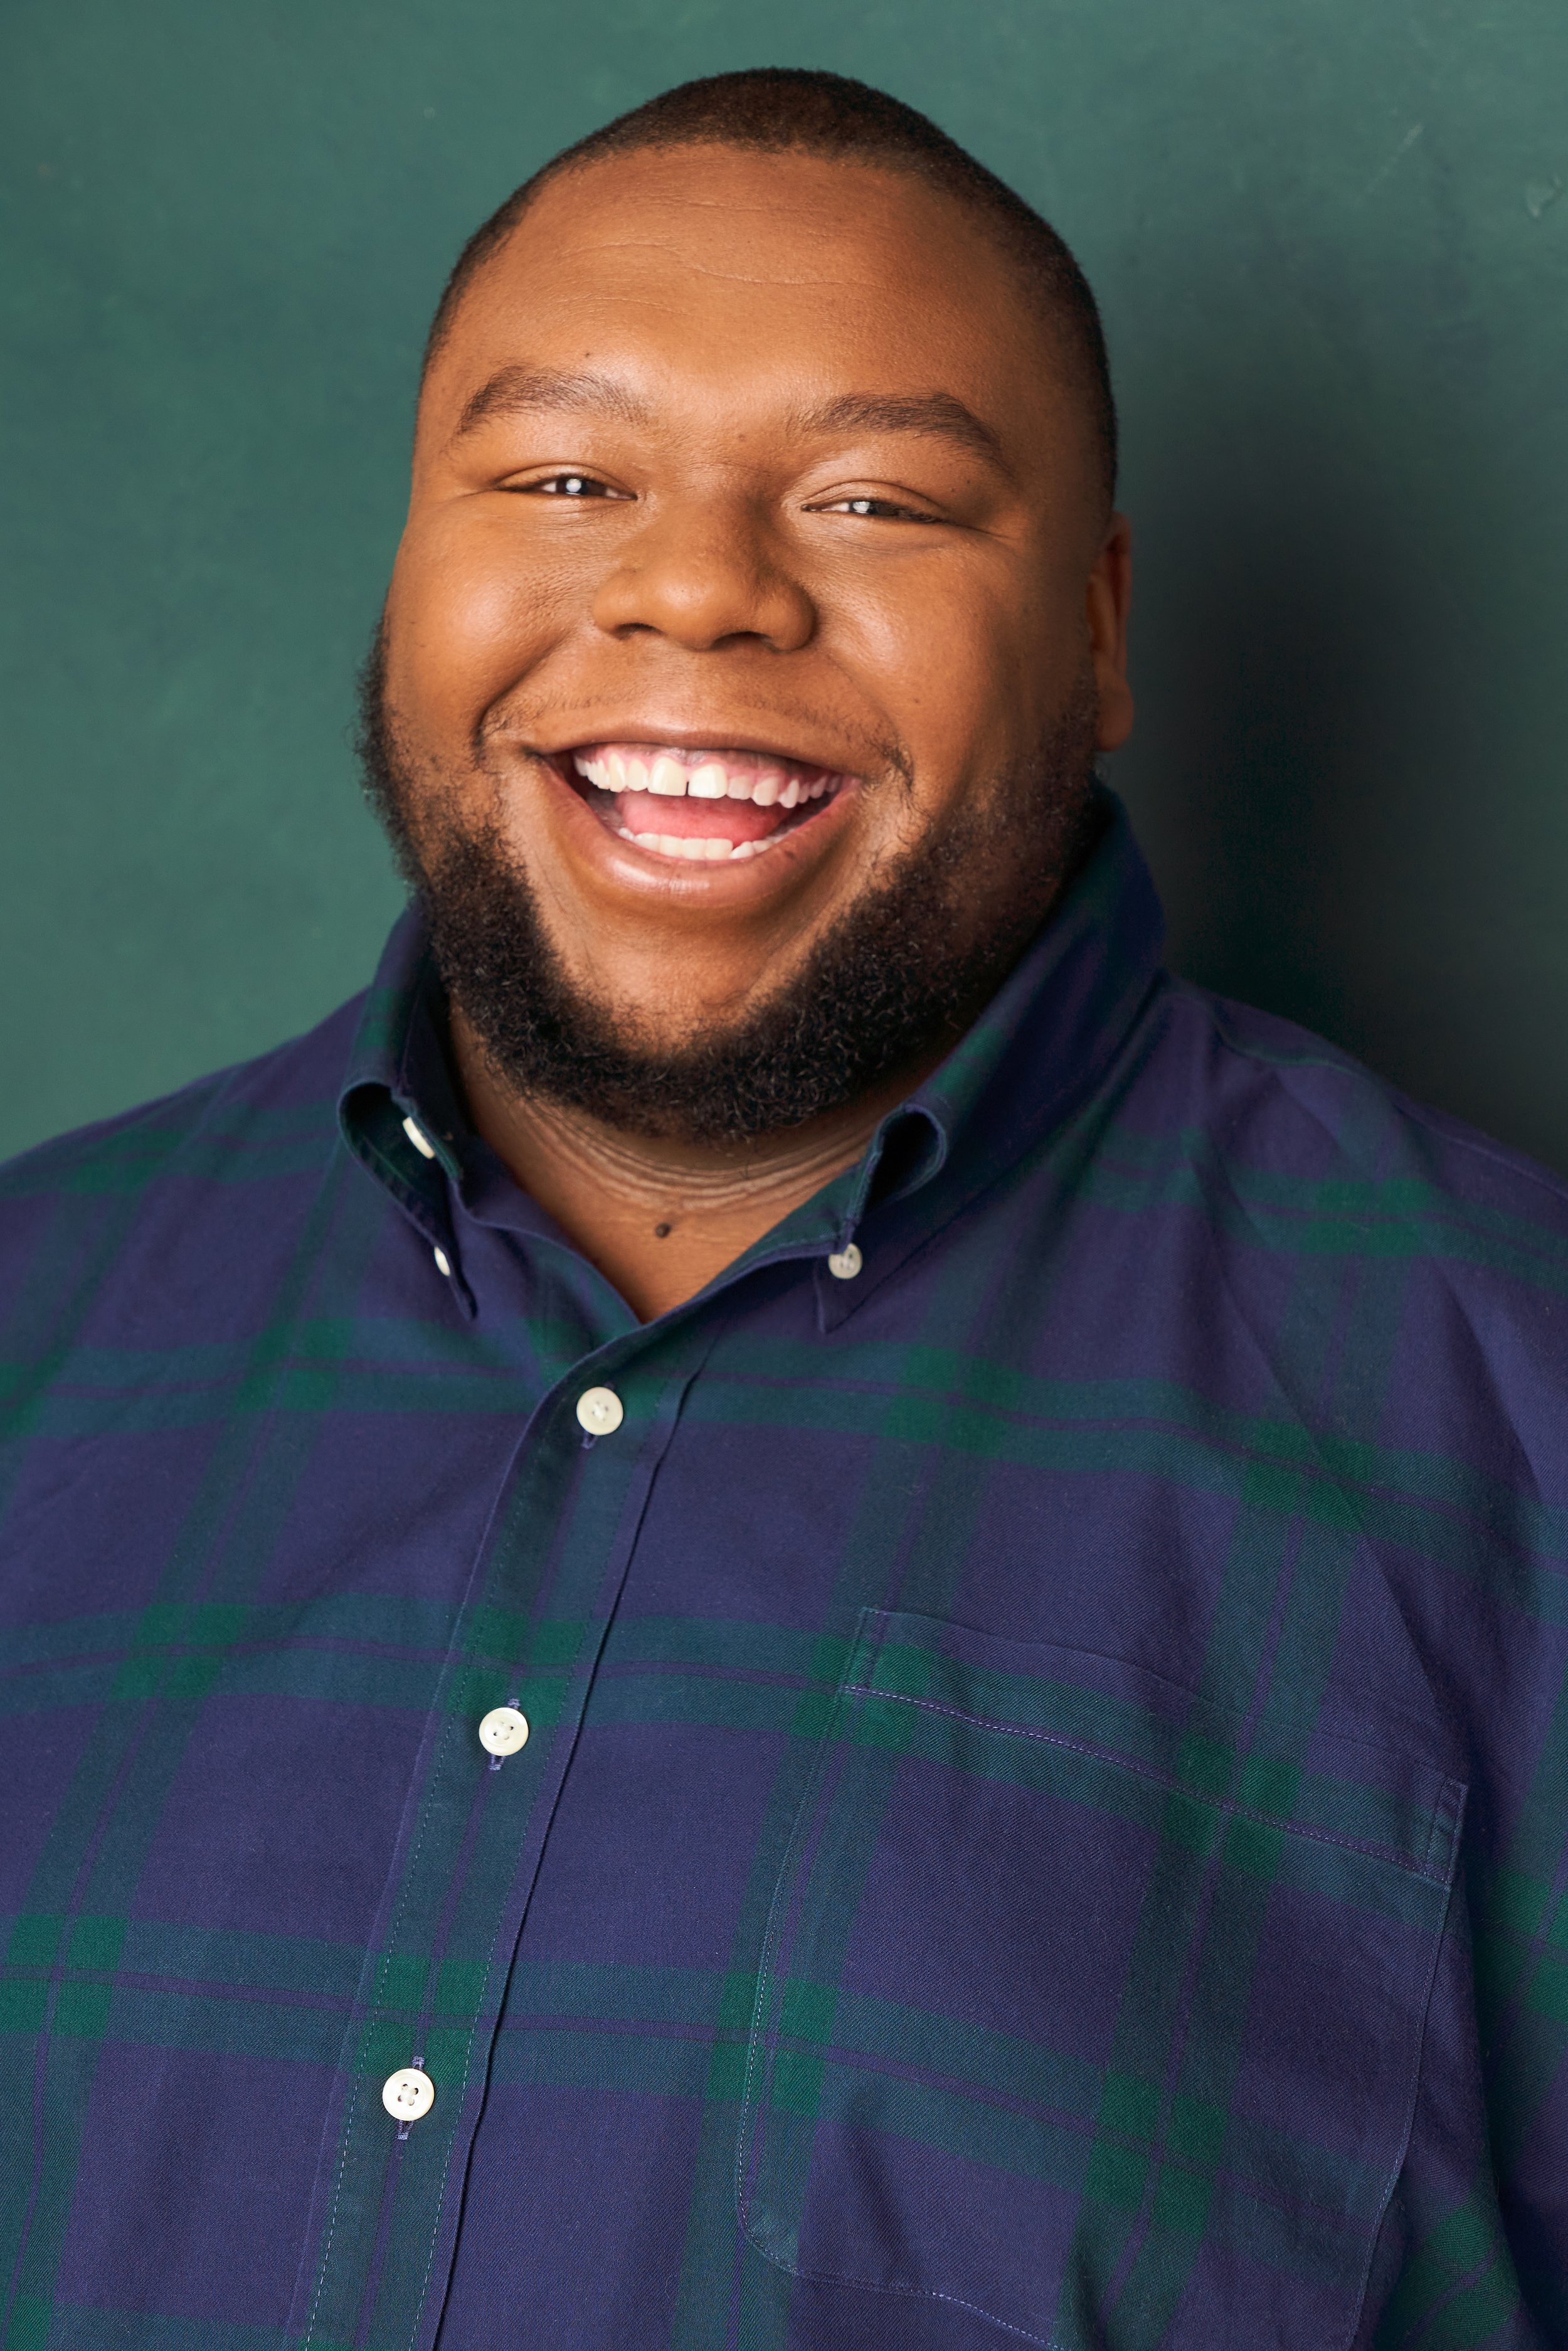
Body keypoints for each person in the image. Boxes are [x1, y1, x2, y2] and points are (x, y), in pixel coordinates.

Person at [0, 64, 1562, 2351]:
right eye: (559, 474)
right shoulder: (33, 1335)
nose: (698, 588)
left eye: (874, 498)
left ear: (1104, 634)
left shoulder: (1514, 1423)